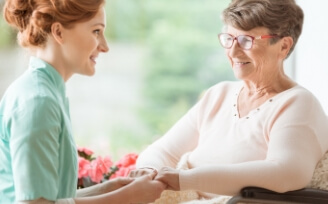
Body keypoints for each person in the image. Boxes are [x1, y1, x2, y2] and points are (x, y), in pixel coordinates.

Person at [130, 0, 328, 202]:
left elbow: (286, 173)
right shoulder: (219, 94)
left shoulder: (298, 103)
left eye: (246, 40)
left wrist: (186, 180)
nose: (233, 52)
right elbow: (163, 151)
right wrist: (148, 171)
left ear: (283, 46)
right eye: (229, 38)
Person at [0, 0, 165, 203]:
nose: (104, 47)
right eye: (96, 31)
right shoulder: (38, 101)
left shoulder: (45, 92)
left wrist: (108, 189)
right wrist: (127, 197)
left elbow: (54, 197)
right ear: (59, 33)